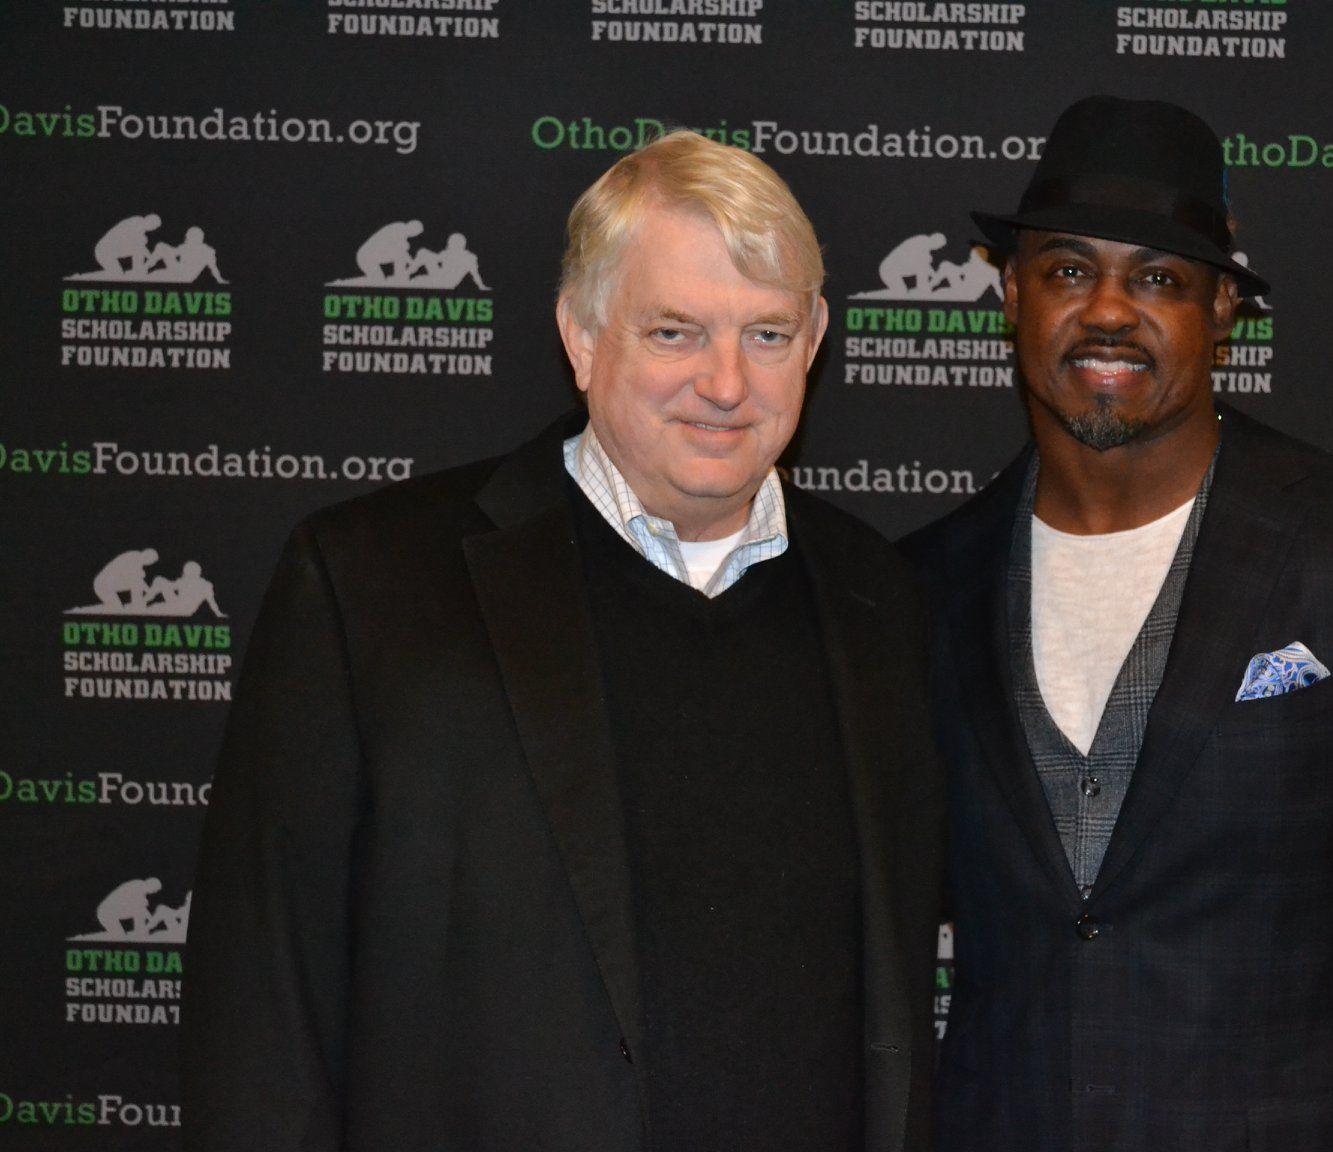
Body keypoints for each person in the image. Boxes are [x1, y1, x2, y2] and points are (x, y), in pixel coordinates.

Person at [184, 130, 942, 1152]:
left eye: (766, 335)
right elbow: (262, 1011)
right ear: (581, 338)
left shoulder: (882, 600)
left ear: (814, 342)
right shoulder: (371, 586)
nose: (726, 384)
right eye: (675, 332)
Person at [902, 96, 1333, 1152]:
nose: (1109, 311)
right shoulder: (920, 586)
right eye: (1067, 270)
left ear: (1223, 313)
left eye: (1157, 278)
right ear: (1009, 295)